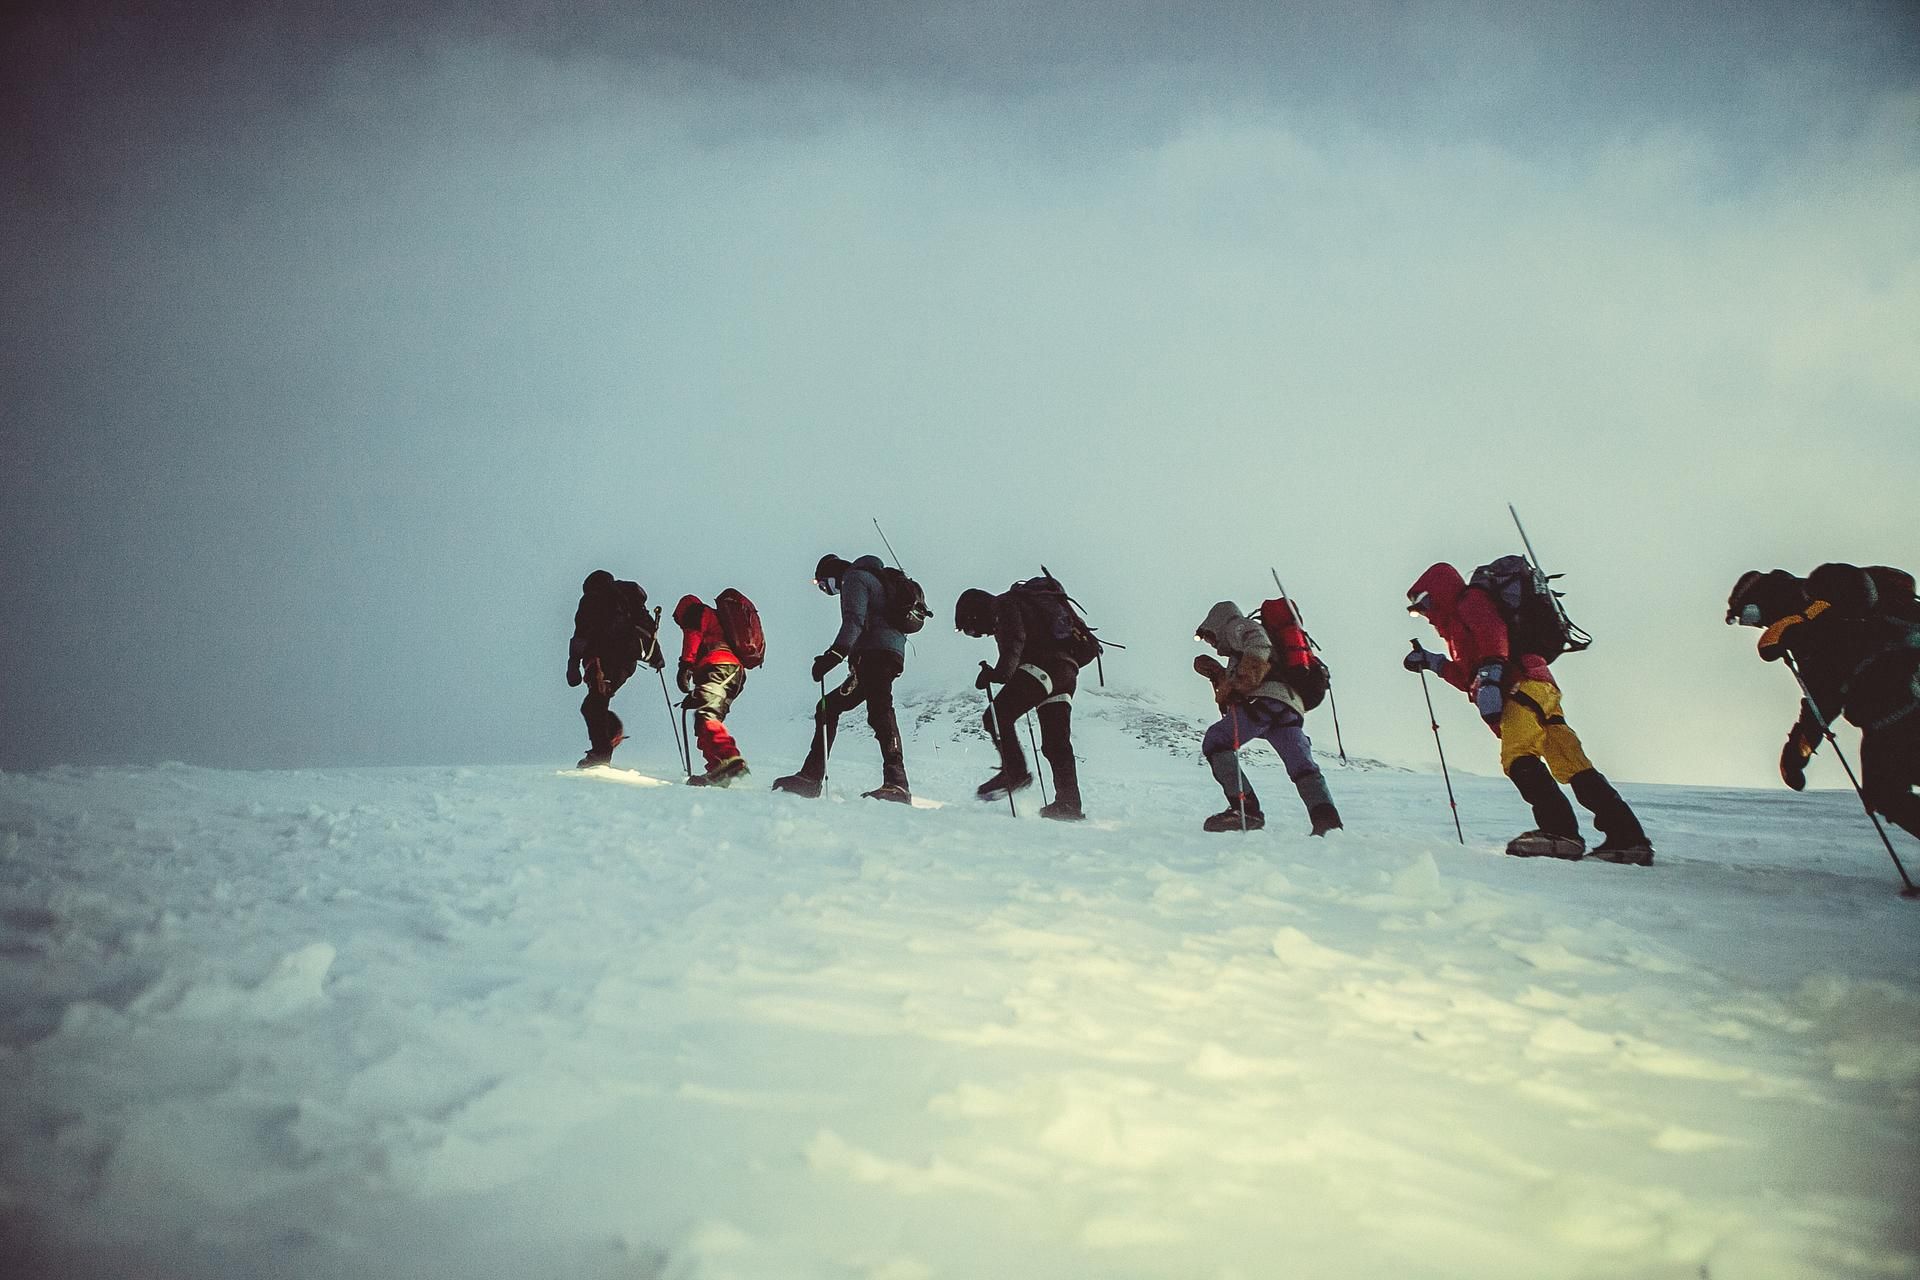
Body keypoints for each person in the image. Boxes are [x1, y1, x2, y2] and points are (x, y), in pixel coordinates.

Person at [1405, 563, 1651, 864]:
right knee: (1570, 762)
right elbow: (1471, 678)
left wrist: (1493, 672)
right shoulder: (1455, 629)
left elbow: (1492, 633)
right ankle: (1628, 838)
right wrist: (1435, 663)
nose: (1425, 613)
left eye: (1426, 603)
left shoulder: (1469, 602)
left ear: (1439, 592)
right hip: (1539, 686)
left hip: (1520, 685)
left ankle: (1560, 834)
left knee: (1517, 755)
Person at [1727, 564, 1920, 840]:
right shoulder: (1810, 616)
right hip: (1893, 713)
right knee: (1887, 791)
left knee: (1887, 793)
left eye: (1750, 616)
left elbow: (1823, 700)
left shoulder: (1816, 605)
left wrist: (1797, 752)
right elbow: (1824, 697)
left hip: (1896, 712)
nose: (1757, 625)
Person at [1192, 601, 1342, 835]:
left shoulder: (1236, 627)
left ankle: (1245, 809)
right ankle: (1328, 822)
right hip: (1289, 706)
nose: (1212, 643)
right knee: (1302, 766)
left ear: (1216, 624)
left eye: (1210, 637)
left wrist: (1243, 679)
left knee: (1216, 740)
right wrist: (1218, 675)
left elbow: (1258, 644)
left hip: (1266, 701)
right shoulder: (1239, 652)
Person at [772, 554, 912, 803]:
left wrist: (833, 656)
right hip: (886, 654)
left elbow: (854, 620)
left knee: (877, 711)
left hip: (875, 655)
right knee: (830, 707)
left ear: (832, 575)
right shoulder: (874, 580)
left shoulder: (854, 578)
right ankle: (812, 776)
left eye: (825, 585)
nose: (828, 591)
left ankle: (896, 784)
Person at [956, 586, 1084, 820]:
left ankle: (1015, 772)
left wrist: (996, 675)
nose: (980, 635)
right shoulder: (1021, 606)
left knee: (996, 716)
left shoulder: (1003, 604)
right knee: (1057, 744)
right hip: (1066, 672)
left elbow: (1015, 643)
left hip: (1044, 667)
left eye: (972, 630)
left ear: (975, 612)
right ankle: (1069, 804)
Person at [567, 570, 664, 768]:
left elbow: (581, 633)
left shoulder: (593, 598)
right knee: (597, 702)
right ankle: (608, 739)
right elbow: (647, 630)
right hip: (627, 662)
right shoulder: (628, 601)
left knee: (593, 705)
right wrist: (657, 658)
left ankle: (601, 753)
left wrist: (573, 665)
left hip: (603, 659)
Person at [670, 594, 750, 787]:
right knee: (705, 718)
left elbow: (693, 636)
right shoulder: (715, 621)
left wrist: (685, 665)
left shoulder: (695, 611)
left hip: (720, 667)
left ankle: (729, 758)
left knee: (707, 714)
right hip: (729, 672)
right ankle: (718, 769)